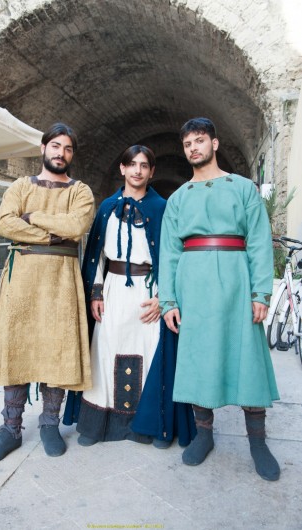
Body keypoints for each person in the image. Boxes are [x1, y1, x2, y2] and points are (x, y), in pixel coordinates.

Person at [159, 117, 280, 481]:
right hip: (192, 285)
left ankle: (257, 442)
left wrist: (261, 291)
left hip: (237, 281)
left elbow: (259, 240)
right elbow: (169, 252)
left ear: (214, 143)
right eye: (187, 144)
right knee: (199, 359)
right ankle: (204, 435)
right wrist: (169, 301)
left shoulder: (243, 189)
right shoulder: (178, 198)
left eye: (199, 141)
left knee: (248, 359)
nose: (193, 148)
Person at [0, 123, 95, 464]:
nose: (61, 153)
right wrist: (52, 235)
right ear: (43, 149)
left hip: (61, 280)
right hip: (22, 279)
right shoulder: (19, 185)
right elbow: (5, 224)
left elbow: (75, 227)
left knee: (56, 348)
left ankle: (49, 424)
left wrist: (34, 217)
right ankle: (10, 428)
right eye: (55, 146)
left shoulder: (80, 191)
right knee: (17, 345)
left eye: (67, 148)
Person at [64, 145, 196, 447]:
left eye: (144, 165)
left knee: (150, 353)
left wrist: (165, 297)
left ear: (151, 172)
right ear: (122, 169)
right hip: (112, 290)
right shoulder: (108, 206)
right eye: (132, 164)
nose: (137, 170)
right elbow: (96, 254)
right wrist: (95, 293)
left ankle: (150, 426)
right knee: (105, 351)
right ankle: (99, 426)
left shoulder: (162, 208)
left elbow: (173, 255)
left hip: (147, 292)